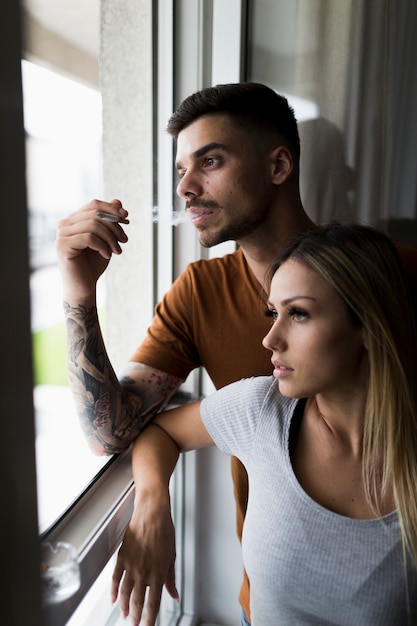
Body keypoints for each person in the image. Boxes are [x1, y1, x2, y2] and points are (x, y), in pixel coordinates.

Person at [55, 83, 417, 626]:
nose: (187, 187)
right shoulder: (198, 294)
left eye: (211, 161)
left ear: (278, 165)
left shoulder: (396, 276)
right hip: (272, 595)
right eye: (181, 170)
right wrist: (79, 294)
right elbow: (111, 432)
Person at [145, 223, 417, 625]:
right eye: (273, 312)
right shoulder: (260, 410)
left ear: (367, 328)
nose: (270, 338)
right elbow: (160, 431)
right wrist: (152, 507)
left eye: (299, 314)